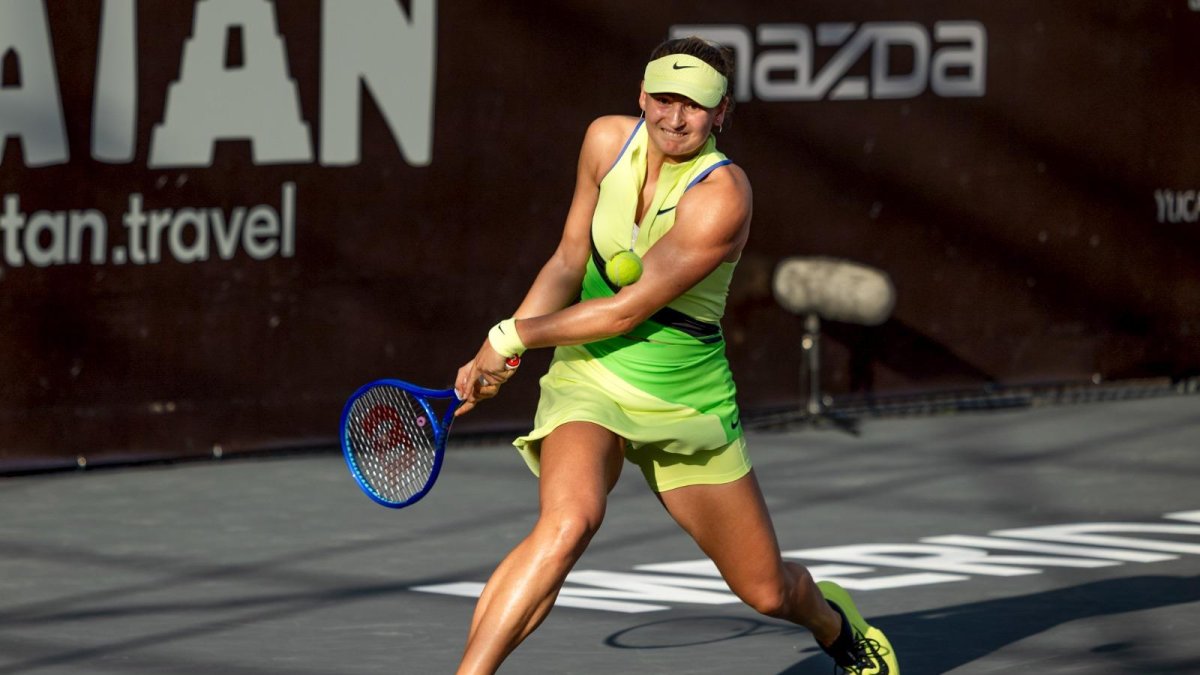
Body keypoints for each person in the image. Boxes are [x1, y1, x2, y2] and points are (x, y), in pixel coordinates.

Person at [452, 36, 899, 675]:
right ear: (641, 95)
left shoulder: (722, 195)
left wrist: (512, 337)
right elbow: (569, 259)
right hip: (593, 374)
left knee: (767, 589)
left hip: (684, 395)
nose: (675, 117)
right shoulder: (605, 142)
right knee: (567, 524)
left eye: (695, 105)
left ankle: (835, 624)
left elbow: (628, 308)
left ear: (722, 114)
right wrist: (499, 354)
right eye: (663, 99)